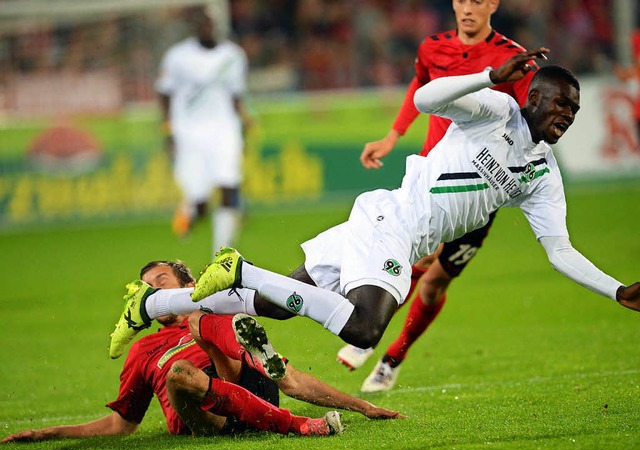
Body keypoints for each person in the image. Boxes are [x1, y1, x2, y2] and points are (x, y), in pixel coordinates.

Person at [109, 50, 640, 375]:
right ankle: (240, 267)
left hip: (390, 228)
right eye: (560, 104)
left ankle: (153, 305)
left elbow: (560, 250)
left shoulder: (542, 176)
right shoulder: (496, 110)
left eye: (574, 110)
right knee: (363, 330)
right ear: (534, 96)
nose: (567, 116)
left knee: (274, 306)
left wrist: (615, 290)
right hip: (392, 225)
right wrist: (487, 75)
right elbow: (430, 100)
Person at [340, 0, 540, 393]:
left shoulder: (512, 59)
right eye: (462, 0)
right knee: (415, 255)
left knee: (434, 284)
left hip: (478, 189)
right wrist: (392, 136)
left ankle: (391, 357)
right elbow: (420, 86)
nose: (468, 8)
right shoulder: (433, 47)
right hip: (432, 176)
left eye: (478, 1)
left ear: (493, 4)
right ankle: (370, 330)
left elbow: (527, 120)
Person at [3, 261, 401, 443]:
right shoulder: (142, 350)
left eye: (162, 282)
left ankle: (263, 366)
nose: (157, 293)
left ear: (186, 281)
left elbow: (292, 381)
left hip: (249, 386)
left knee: (204, 318)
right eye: (149, 289)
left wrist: (363, 406)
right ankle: (282, 400)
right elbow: (121, 425)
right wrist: (47, 434)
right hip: (205, 419)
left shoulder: (208, 317)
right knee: (180, 373)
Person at [156, 5, 252, 251]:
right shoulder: (177, 56)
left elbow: (235, 94)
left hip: (223, 128)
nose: (207, 28)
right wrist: (168, 129)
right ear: (194, 28)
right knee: (200, 199)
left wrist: (244, 119)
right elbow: (165, 93)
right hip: (189, 132)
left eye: (210, 24)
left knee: (229, 185)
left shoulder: (233, 55)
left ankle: (222, 252)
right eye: (202, 24)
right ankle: (190, 209)